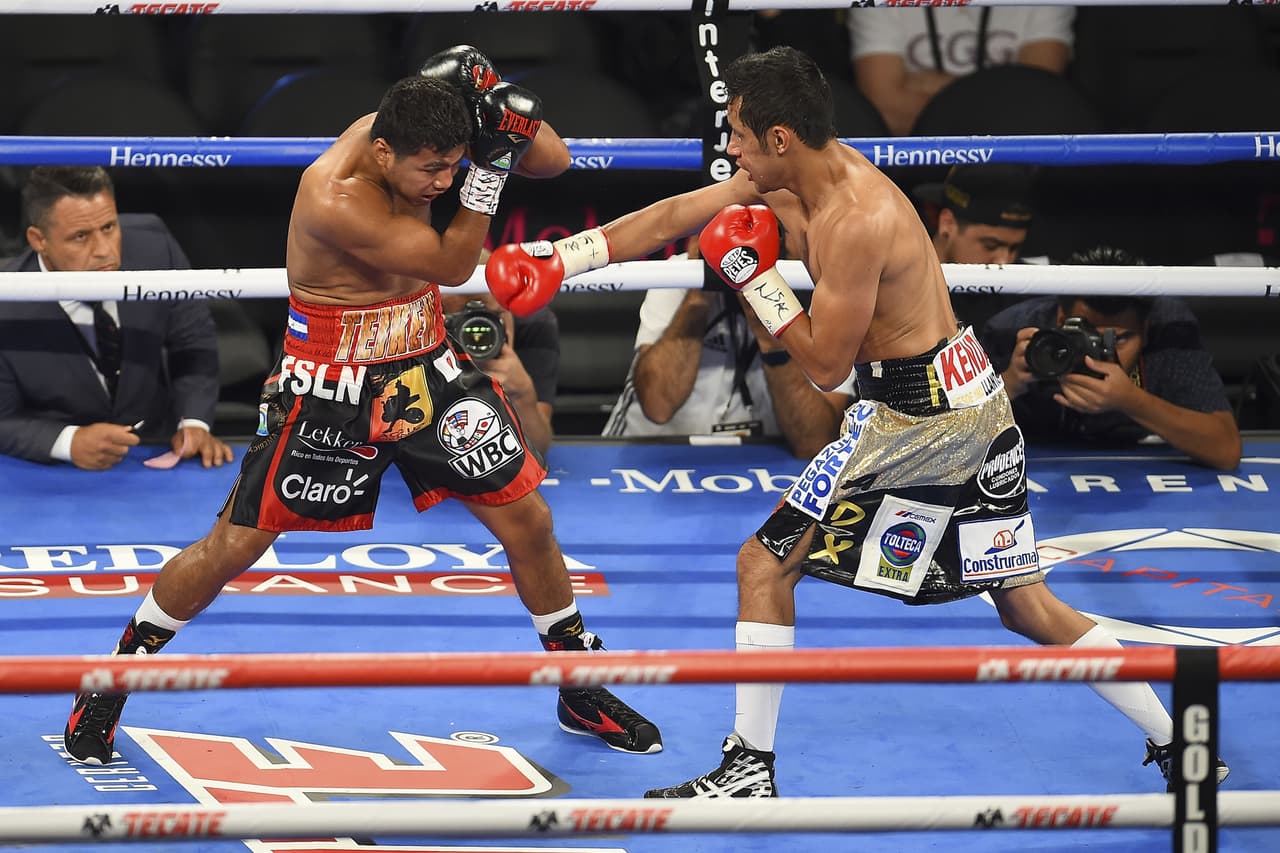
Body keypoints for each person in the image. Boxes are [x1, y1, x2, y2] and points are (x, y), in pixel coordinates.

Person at [484, 46, 1227, 797]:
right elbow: (678, 214)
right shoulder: (792, 173)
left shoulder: (855, 218)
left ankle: (748, 767)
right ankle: (1184, 741)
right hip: (969, 404)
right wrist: (561, 256)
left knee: (764, 563)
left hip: (917, 420)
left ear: (779, 137)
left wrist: (753, 278)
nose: (730, 148)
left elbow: (826, 367)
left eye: (739, 133)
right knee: (1025, 604)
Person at [62, 48, 661, 766]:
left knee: (529, 516)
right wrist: (490, 169)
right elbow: (450, 265)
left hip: (423, 363)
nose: (445, 181)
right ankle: (111, 680)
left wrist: (495, 98)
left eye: (455, 166)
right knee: (236, 545)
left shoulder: (429, 118)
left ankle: (577, 681)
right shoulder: (335, 194)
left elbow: (553, 160)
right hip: (330, 384)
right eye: (432, 172)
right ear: (382, 150)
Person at [0, 166, 234, 470]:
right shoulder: (7, 298)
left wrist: (194, 421)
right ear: (38, 239)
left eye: (109, 227)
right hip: (51, 473)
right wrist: (68, 442)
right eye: (81, 236)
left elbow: (193, 337)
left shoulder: (155, 247)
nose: (104, 251)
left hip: (152, 447)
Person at [981, 246, 1242, 471]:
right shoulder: (1013, 330)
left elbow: (1226, 450)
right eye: (1087, 335)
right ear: (1061, 318)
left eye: (1119, 340)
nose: (1099, 351)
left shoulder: (1171, 332)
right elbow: (949, 444)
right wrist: (1008, 385)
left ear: (1146, 330)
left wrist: (1132, 401)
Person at [602, 235, 852, 459]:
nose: (741, 245)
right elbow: (658, 406)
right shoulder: (680, 272)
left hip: (762, 463)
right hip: (651, 455)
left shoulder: (815, 283)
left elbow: (814, 445)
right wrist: (700, 295)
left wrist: (769, 322)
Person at [847, 8, 1075, 135]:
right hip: (919, 168)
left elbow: (1037, 105)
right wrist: (999, 93)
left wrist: (921, 83)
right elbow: (885, 109)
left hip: (1018, 175)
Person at [439, 286, 559, 455]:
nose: (475, 327)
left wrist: (522, 395)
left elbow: (537, 448)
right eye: (460, 317)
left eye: (491, 316)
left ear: (508, 306)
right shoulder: (419, 326)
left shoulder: (535, 322)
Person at [913, 163, 1037, 266]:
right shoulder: (900, 281)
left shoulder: (1037, 285)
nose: (1003, 261)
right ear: (948, 223)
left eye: (1014, 248)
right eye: (990, 246)